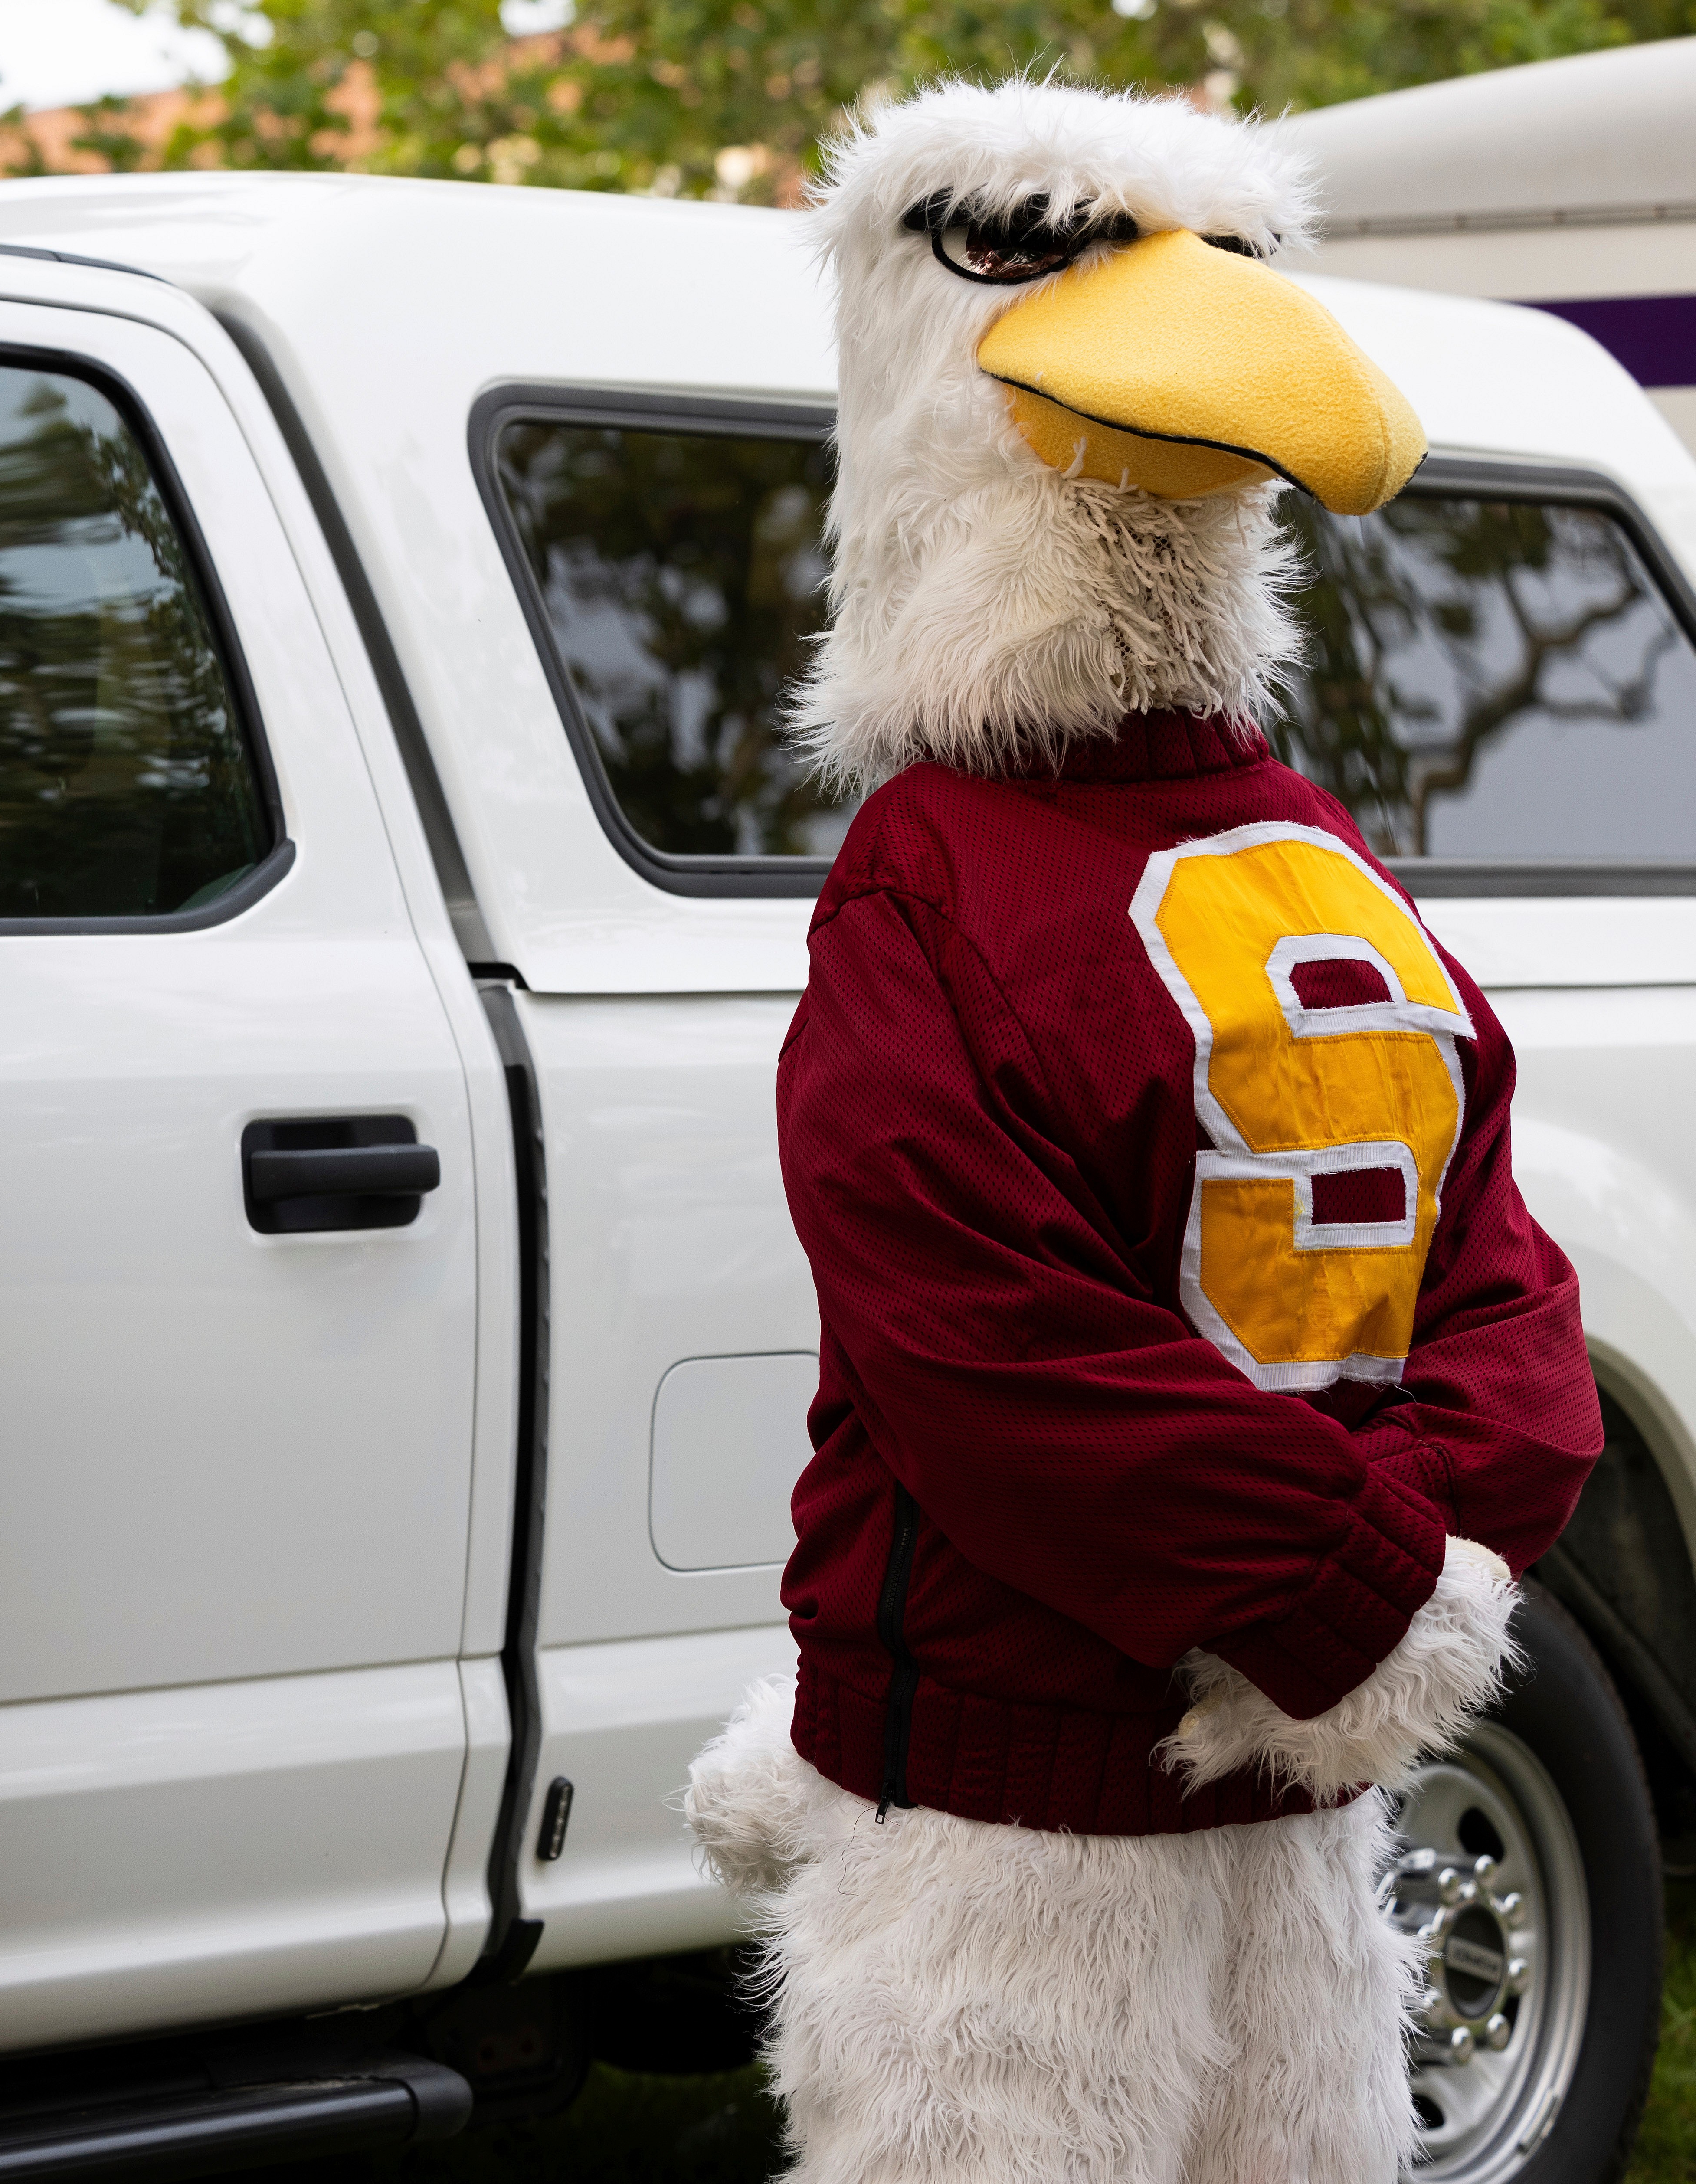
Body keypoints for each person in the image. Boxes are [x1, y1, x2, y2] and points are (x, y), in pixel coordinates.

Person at [682, 78, 1603, 2184]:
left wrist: (1353, 1591)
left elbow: (992, 1347)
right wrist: (1381, 1593)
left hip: (1050, 1823)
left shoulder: (952, 869)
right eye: (1030, 245)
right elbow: (1500, 1327)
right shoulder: (1309, 857)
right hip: (1256, 1786)